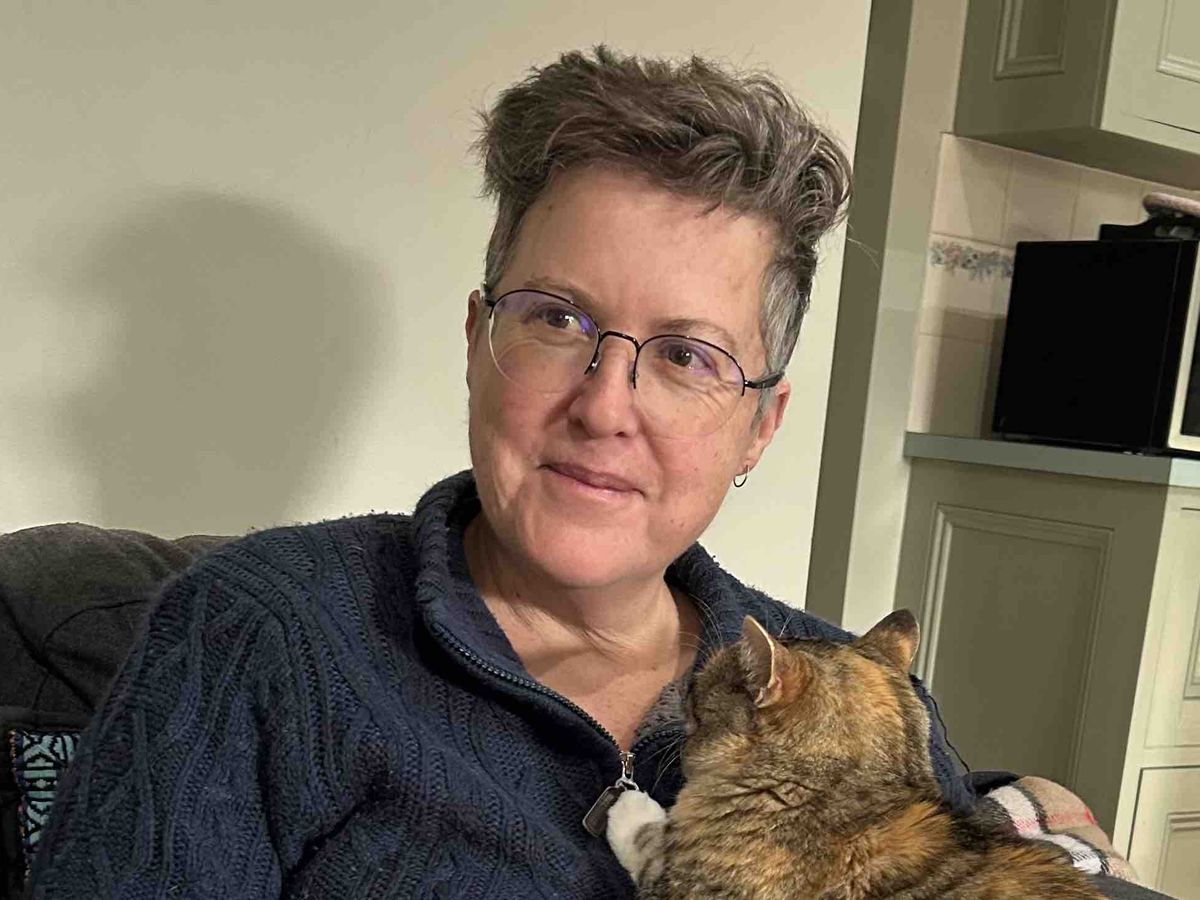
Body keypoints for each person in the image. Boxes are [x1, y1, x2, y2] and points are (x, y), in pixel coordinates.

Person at [28, 47, 1150, 900]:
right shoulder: (258, 635)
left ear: (759, 428)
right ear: (479, 343)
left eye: (688, 356)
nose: (606, 406)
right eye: (559, 319)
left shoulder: (853, 696)